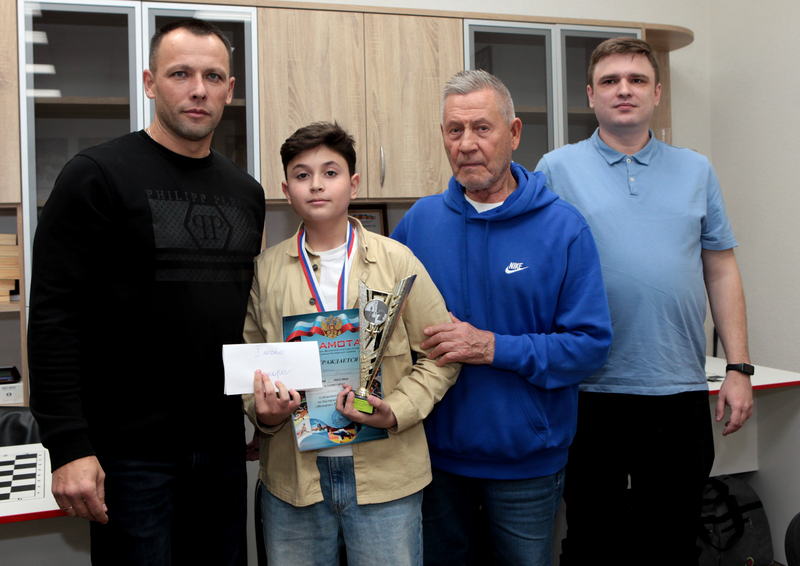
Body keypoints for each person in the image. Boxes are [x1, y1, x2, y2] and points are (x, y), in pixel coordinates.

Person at [27, 18, 265, 566]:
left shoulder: (245, 194)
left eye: (213, 76)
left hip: (221, 450)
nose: (198, 89)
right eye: (180, 74)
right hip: (129, 457)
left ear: (230, 89)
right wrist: (69, 445)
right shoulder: (95, 176)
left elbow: (237, 318)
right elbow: (54, 319)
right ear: (150, 83)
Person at [534, 37, 753, 565]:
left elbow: (721, 269)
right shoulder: (555, 169)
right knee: (593, 539)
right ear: (591, 95)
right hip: (588, 390)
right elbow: (532, 269)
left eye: (636, 80)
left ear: (657, 93)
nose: (623, 90)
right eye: (609, 81)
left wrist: (739, 367)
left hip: (677, 387)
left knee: (672, 540)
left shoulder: (696, 170)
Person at [391, 70, 613, 566]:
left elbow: (590, 346)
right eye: (455, 130)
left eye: (482, 128)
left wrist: (492, 347)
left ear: (513, 133)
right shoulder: (419, 224)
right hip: (434, 461)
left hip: (527, 466)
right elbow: (381, 326)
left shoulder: (564, 228)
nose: (467, 144)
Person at [242, 122, 460, 566]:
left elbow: (441, 354)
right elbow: (251, 366)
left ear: (354, 184)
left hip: (386, 474)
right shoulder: (265, 271)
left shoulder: (397, 260)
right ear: (286, 190)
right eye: (302, 175)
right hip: (294, 479)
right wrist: (263, 414)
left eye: (330, 172)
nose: (316, 184)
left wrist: (396, 409)